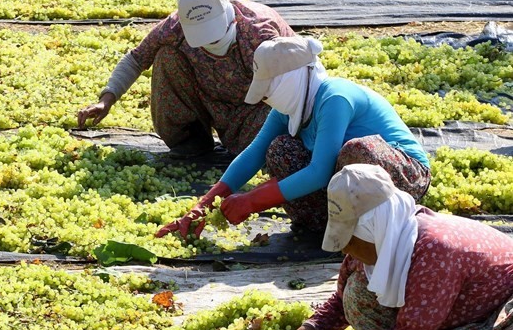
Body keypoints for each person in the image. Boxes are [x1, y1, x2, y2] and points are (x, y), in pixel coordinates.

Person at [279, 164, 513, 330]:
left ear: (373, 228)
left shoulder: (435, 251)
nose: (344, 248)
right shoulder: (387, 240)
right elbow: (340, 303)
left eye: (349, 237)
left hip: (500, 314)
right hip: (454, 316)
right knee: (358, 293)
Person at [155, 35, 430, 239]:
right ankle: (331, 224)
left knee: (356, 152)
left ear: (290, 78)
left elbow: (320, 172)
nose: (266, 97)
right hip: (350, 188)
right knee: (279, 149)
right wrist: (204, 205)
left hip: (404, 176)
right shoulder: (287, 109)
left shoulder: (335, 97)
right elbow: (253, 154)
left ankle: (375, 228)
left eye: (269, 88)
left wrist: (252, 201)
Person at [76, 0, 295, 158]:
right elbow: (136, 59)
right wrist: (107, 98)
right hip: (211, 100)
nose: (210, 43)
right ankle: (190, 141)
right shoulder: (174, 27)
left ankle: (253, 150)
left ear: (228, 14)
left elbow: (297, 85)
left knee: (264, 150)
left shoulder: (258, 31)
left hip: (257, 109)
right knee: (166, 56)